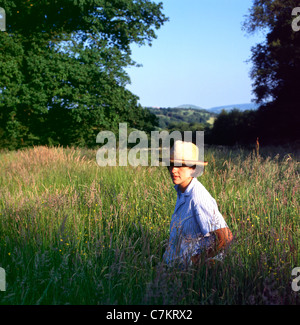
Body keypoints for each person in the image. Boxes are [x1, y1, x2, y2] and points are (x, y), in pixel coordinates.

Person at [162, 140, 233, 268]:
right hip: (174, 271)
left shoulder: (198, 197)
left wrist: (197, 261)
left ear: (193, 168)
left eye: (179, 165)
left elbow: (225, 237)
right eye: (171, 165)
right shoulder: (183, 191)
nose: (173, 170)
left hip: (188, 276)